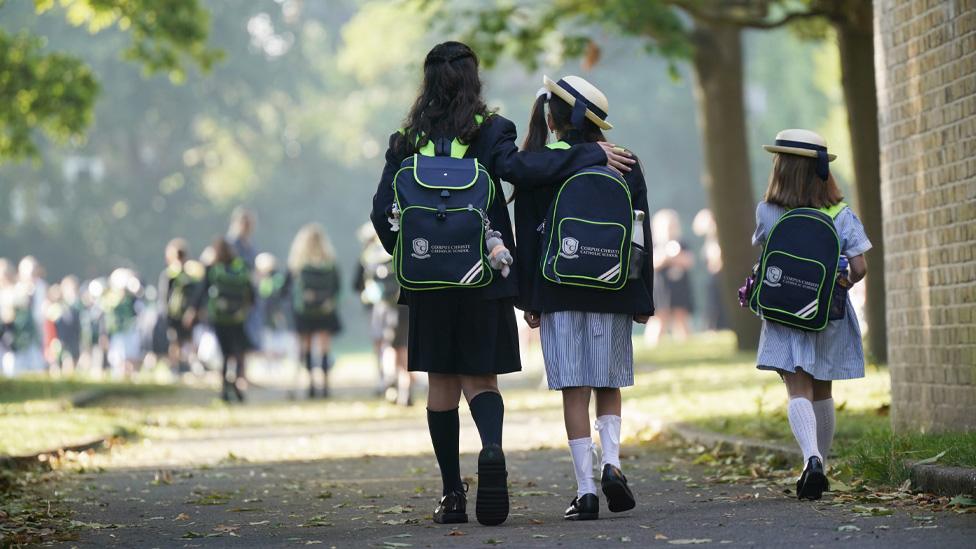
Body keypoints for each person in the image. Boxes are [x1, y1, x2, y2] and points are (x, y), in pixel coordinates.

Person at [370, 41, 634, 527]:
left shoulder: (407, 139)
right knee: (481, 380)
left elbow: (381, 211)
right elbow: (523, 170)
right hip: (484, 276)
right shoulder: (492, 131)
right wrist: (588, 156)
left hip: (428, 285)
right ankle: (491, 449)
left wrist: (412, 257)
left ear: (426, 82)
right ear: (474, 80)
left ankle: (452, 495)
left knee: (441, 384)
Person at [515, 76, 653, 520]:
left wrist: (529, 297)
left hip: (557, 290)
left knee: (574, 389)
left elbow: (529, 238)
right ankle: (612, 463)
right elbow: (639, 236)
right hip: (613, 288)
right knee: (607, 382)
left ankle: (587, 489)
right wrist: (641, 296)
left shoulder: (539, 165)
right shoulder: (625, 162)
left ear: (552, 119)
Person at [753, 129, 871, 500]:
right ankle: (823, 464)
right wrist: (845, 282)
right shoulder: (840, 212)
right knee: (822, 387)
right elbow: (861, 266)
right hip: (827, 309)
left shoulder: (768, 211)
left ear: (781, 170)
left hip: (785, 309)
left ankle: (811, 458)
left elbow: (765, 248)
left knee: (796, 385)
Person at [189, 237, 255, 402]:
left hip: (220, 318)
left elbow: (201, 291)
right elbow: (251, 292)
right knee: (237, 352)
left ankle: (226, 387)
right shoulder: (241, 267)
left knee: (226, 354)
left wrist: (193, 311)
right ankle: (238, 385)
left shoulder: (212, 269)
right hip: (238, 317)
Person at [287, 224, 342, 398]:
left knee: (307, 347)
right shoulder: (330, 263)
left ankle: (311, 384)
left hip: (304, 313)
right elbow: (337, 288)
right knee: (325, 347)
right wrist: (329, 302)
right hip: (326, 311)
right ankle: (325, 385)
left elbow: (286, 289)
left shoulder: (297, 264)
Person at [643, 209, 694, 346]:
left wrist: (675, 258)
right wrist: (667, 257)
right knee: (659, 317)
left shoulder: (682, 243)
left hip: (679, 287)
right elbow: (651, 263)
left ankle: (685, 345)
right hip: (660, 287)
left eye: (672, 226)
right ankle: (653, 345)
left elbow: (689, 261)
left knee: (681, 316)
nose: (669, 230)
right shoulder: (654, 245)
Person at [158, 239, 201, 374]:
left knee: (179, 342)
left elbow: (164, 297)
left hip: (178, 314)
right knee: (181, 342)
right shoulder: (189, 274)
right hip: (181, 314)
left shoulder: (171, 274)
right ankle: (183, 367)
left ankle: (181, 368)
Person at [692, 209, 729, 332]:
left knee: (716, 303)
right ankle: (711, 327)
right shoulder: (710, 239)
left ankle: (715, 327)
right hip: (713, 276)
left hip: (719, 276)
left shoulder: (719, 238)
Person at [103, 268, 143, 378]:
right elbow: (108, 319)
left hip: (130, 331)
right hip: (117, 332)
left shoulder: (132, 299)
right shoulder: (110, 299)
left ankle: (132, 377)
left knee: (131, 357)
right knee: (118, 359)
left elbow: (138, 312)